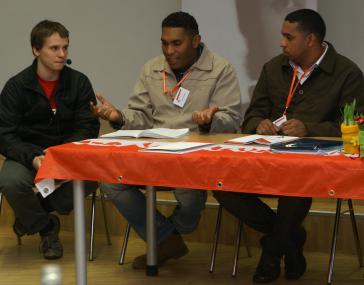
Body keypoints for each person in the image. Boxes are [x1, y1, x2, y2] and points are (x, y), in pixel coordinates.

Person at [214, 9, 364, 283]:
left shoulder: (347, 73)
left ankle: (271, 254)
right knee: (221, 184)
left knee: (296, 182)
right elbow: (251, 116)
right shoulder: (273, 68)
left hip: (313, 164)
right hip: (266, 156)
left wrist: (310, 129)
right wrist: (259, 123)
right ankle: (290, 238)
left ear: (311, 40)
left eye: (288, 37)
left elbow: (357, 127)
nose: (281, 42)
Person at [91, 11, 242, 269]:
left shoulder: (220, 69)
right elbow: (140, 115)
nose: (169, 50)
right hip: (154, 153)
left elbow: (232, 119)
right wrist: (118, 117)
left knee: (189, 194)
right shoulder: (152, 68)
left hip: (195, 155)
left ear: (196, 41)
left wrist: (209, 121)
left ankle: (171, 234)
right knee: (109, 179)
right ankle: (167, 238)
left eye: (176, 43)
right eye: (164, 42)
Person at [0, 20, 100, 260]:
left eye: (65, 47)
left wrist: (61, 155)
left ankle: (32, 216)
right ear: (36, 50)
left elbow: (88, 126)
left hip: (67, 155)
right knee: (10, 180)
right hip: (28, 155)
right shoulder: (16, 87)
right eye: (54, 48)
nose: (62, 54)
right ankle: (46, 228)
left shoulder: (79, 82)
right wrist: (34, 157)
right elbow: (4, 134)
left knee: (96, 175)